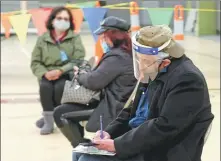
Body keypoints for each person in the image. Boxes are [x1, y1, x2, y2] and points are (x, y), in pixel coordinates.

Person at [72, 25, 214, 161]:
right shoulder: (153, 68)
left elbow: (164, 127)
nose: (141, 66)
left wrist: (118, 145)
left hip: (163, 151)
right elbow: (132, 110)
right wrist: (109, 132)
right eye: (139, 59)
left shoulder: (187, 80)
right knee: (78, 153)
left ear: (165, 62)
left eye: (145, 61)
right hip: (140, 141)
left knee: (88, 159)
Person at [53, 16, 137, 147]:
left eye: (104, 36)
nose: (102, 39)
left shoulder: (117, 57)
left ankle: (81, 148)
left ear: (114, 36)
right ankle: (83, 146)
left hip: (113, 107)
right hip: (115, 101)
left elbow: (94, 82)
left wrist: (80, 75)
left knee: (60, 113)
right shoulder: (127, 53)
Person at [30, 6, 85, 135]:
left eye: (66, 19)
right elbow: (35, 62)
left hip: (66, 73)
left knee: (60, 87)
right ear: (52, 20)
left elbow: (77, 60)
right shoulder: (42, 39)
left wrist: (60, 71)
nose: (62, 21)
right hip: (47, 74)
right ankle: (48, 123)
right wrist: (44, 73)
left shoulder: (75, 38)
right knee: (45, 87)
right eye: (59, 18)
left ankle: (57, 117)